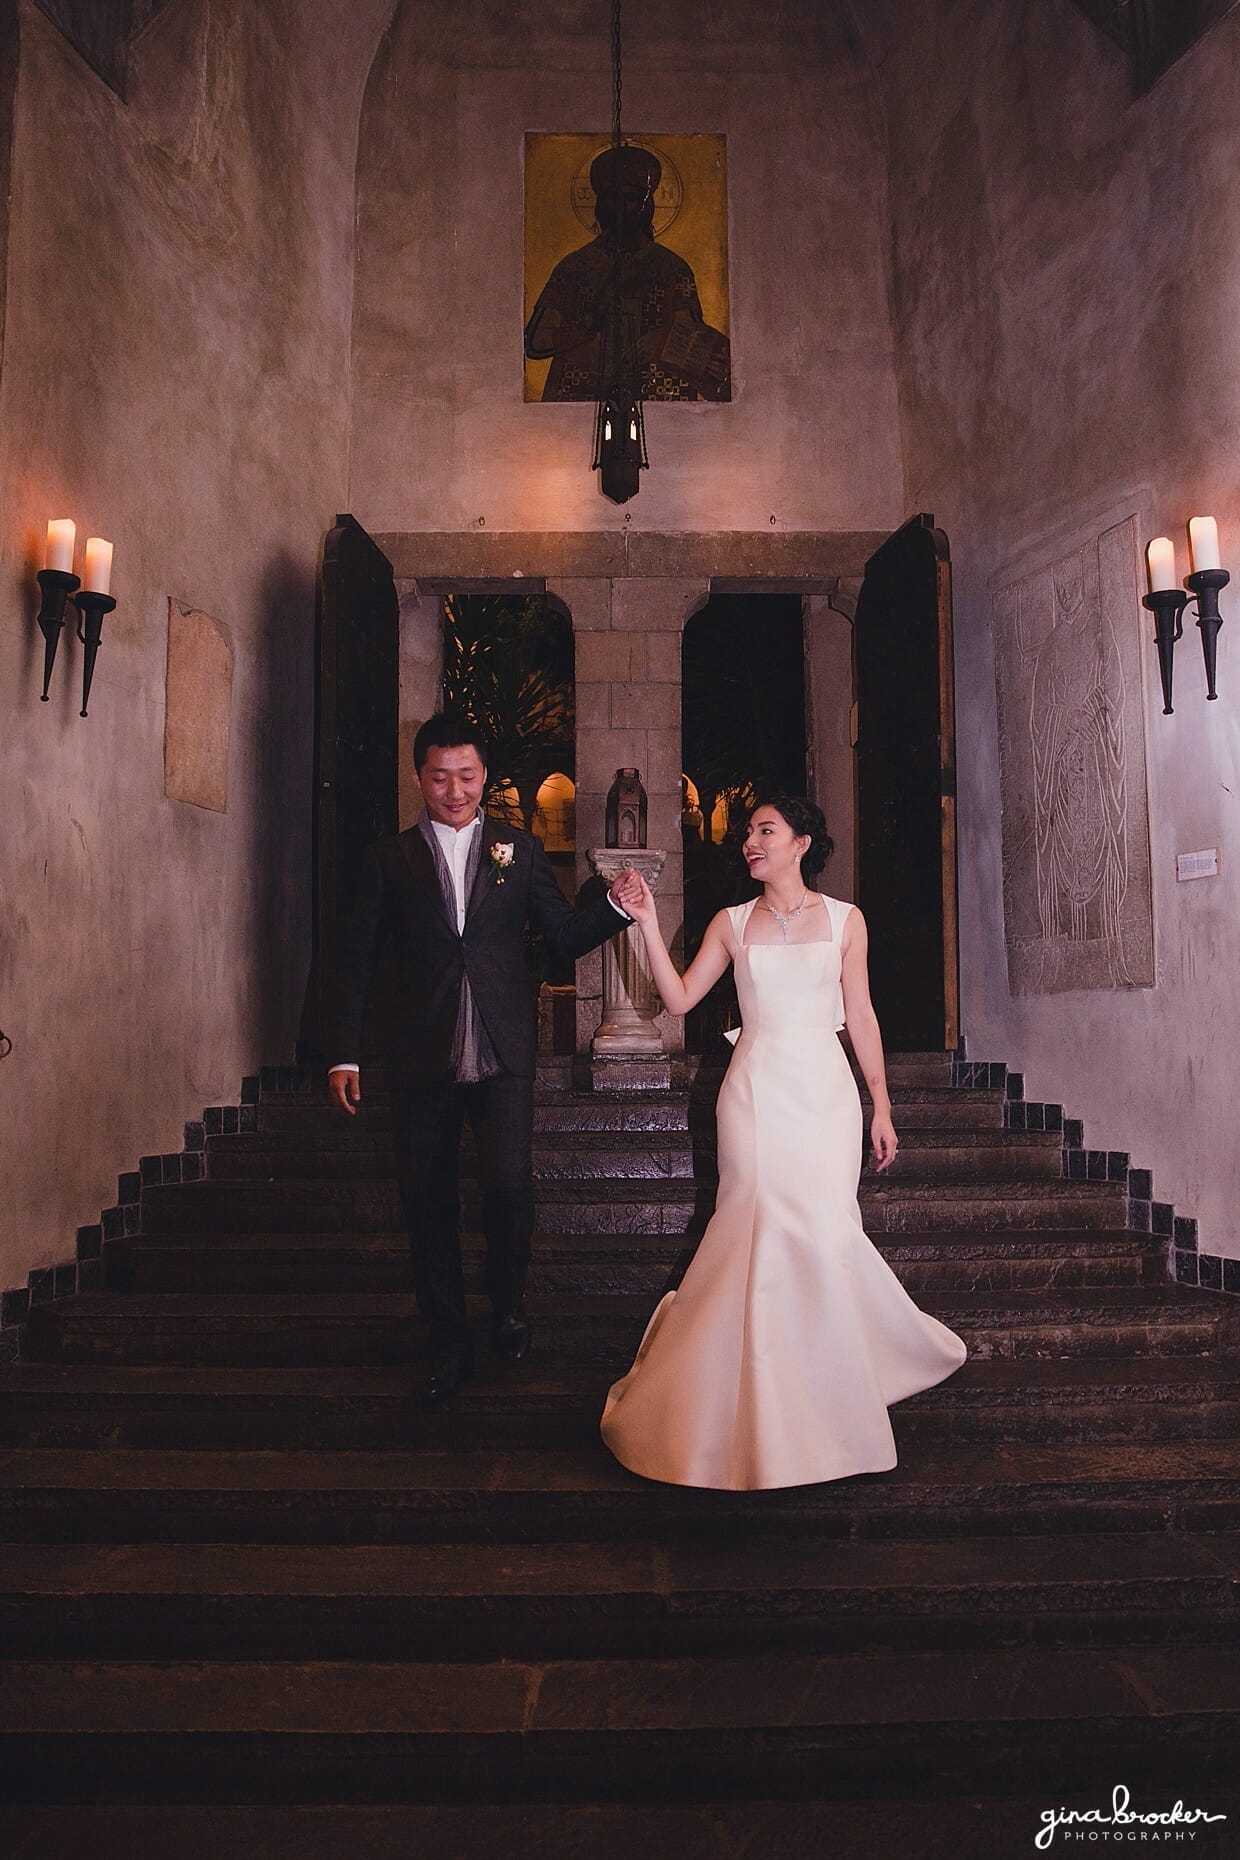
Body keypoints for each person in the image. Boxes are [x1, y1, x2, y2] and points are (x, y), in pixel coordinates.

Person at [604, 796, 968, 1489]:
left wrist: (880, 1104)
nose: (751, 842)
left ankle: (821, 1391)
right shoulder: (732, 923)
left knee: (827, 1232)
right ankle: (754, 1405)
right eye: (748, 833)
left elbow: (859, 1014)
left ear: (802, 842)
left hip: (825, 1098)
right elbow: (679, 1000)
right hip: (754, 1096)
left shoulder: (845, 921)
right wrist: (648, 924)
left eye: (765, 830)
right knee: (755, 1229)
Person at [328, 715, 631, 1408]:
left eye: (467, 777)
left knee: (507, 1189)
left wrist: (614, 908)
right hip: (419, 1053)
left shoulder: (518, 851)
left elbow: (560, 937)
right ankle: (446, 1340)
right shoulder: (387, 859)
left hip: (501, 1052)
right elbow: (356, 961)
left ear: (484, 778)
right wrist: (343, 1053)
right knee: (426, 1202)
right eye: (439, 777)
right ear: (418, 779)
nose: (454, 790)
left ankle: (509, 1304)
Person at [525, 142, 730, 402]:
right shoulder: (575, 268)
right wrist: (586, 326)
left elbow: (691, 339)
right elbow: (535, 341)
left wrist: (715, 365)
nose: (621, 207)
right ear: (601, 204)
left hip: (657, 394)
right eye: (613, 197)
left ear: (646, 205)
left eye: (631, 198)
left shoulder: (671, 269)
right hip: (580, 393)